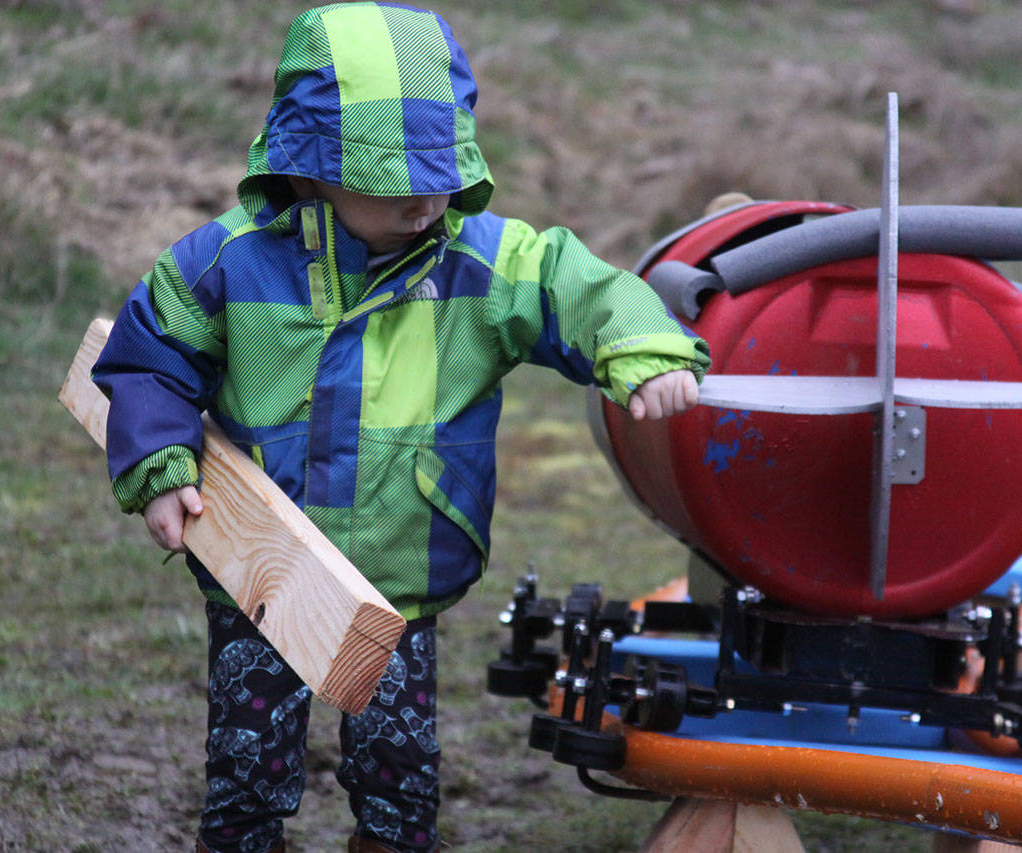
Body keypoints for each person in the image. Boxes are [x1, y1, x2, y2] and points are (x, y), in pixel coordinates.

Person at [92, 4, 710, 851]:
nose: (427, 199)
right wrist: (160, 465)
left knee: (400, 775)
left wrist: (643, 344)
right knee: (246, 766)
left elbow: (578, 284)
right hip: (256, 571)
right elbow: (149, 361)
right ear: (309, 166)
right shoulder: (226, 261)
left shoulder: (480, 262)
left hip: (400, 579)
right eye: (396, 180)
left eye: (442, 172)